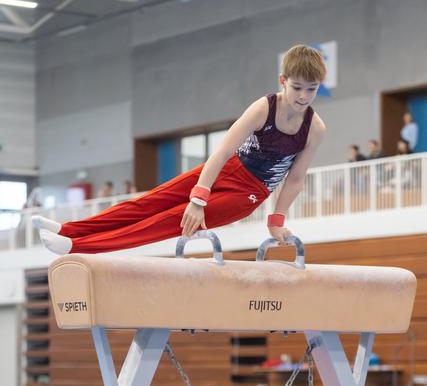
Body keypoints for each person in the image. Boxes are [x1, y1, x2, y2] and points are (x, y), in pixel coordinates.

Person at [32, 44, 327, 255]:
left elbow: (296, 178)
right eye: (297, 87)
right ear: (283, 81)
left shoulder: (314, 128)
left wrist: (276, 221)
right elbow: (222, 152)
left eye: (311, 89)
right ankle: (69, 230)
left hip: (248, 194)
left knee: (168, 221)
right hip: (228, 168)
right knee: (148, 203)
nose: (303, 96)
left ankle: (78, 247)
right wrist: (199, 197)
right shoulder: (264, 108)